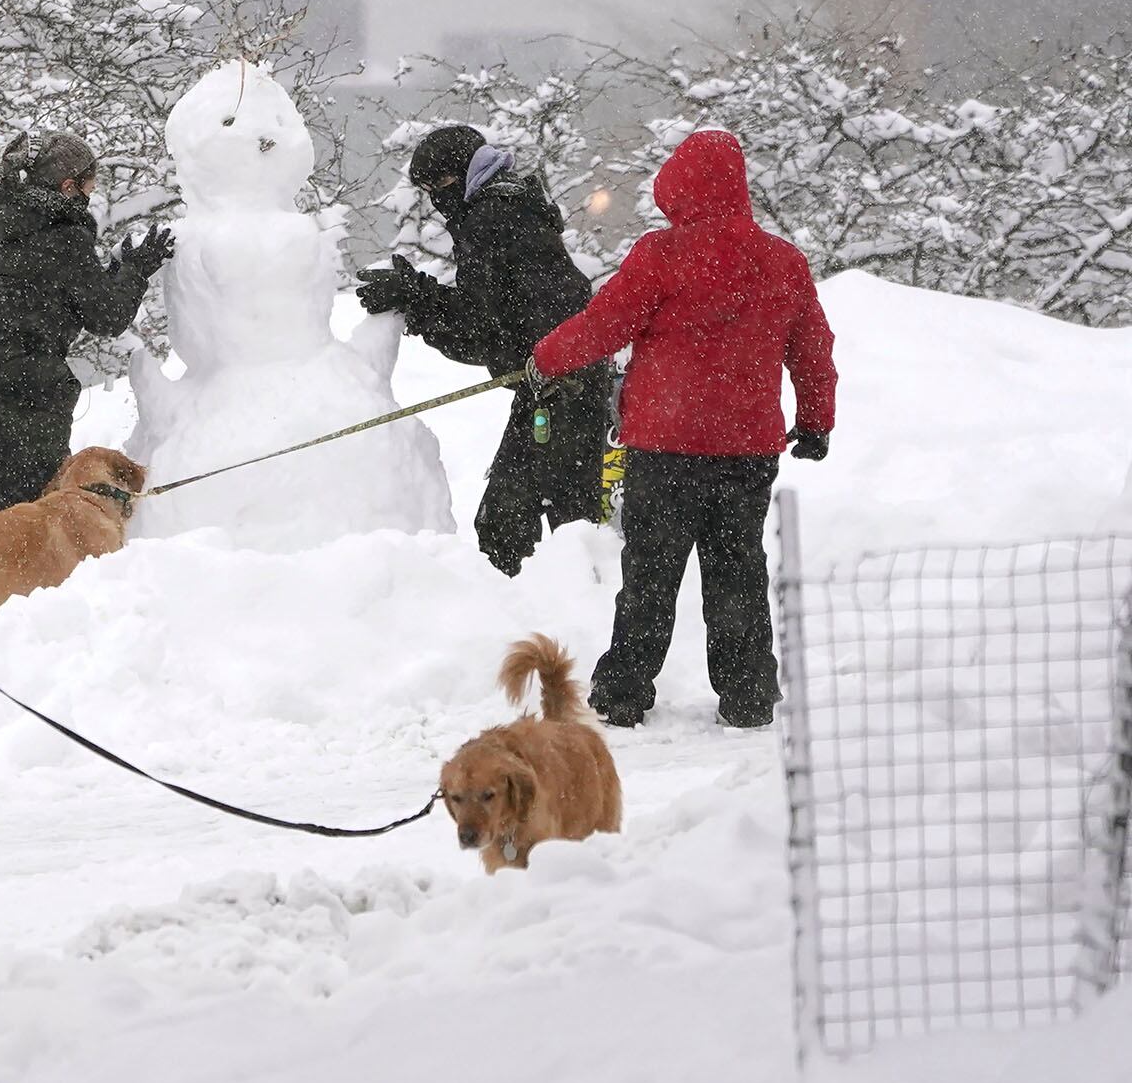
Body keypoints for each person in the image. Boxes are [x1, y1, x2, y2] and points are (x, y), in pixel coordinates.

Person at [528, 128, 836, 730]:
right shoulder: (782, 260)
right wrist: (817, 421)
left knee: (650, 571)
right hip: (746, 452)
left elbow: (604, 324)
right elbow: (812, 349)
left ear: (678, 187)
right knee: (737, 572)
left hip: (666, 448)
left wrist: (545, 361)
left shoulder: (662, 255)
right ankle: (747, 695)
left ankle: (623, 692)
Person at [356, 126, 609, 577]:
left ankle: (551, 621)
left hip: (561, 388)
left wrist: (417, 298)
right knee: (553, 523)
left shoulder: (494, 217)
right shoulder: (510, 207)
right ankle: (560, 615)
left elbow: (483, 329)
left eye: (440, 186)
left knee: (523, 528)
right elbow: (501, 317)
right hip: (560, 382)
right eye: (428, 191)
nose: (437, 200)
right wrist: (422, 297)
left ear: (464, 173)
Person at [0, 131, 173, 510]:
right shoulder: (60, 236)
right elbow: (106, 315)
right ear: (68, 186)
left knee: (5, 520)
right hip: (23, 396)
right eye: (89, 184)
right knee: (36, 520)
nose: (91, 193)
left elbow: (50, 286)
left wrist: (111, 273)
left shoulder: (2, 218)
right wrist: (136, 269)